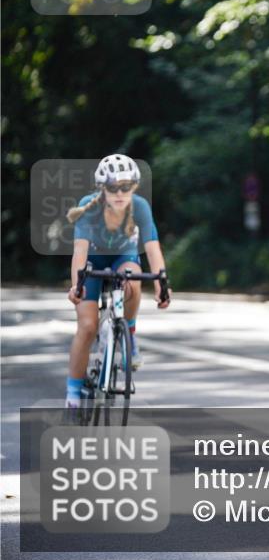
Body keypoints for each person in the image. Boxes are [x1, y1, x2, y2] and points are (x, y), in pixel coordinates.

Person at [64, 154, 171, 408]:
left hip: (123, 257)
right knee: (88, 326)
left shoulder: (140, 207)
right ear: (102, 189)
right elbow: (79, 253)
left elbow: (153, 248)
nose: (120, 193)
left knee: (132, 279)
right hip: (93, 262)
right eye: (113, 187)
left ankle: (129, 332)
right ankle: (73, 394)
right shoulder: (88, 206)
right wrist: (76, 286)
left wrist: (162, 285)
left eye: (126, 187)